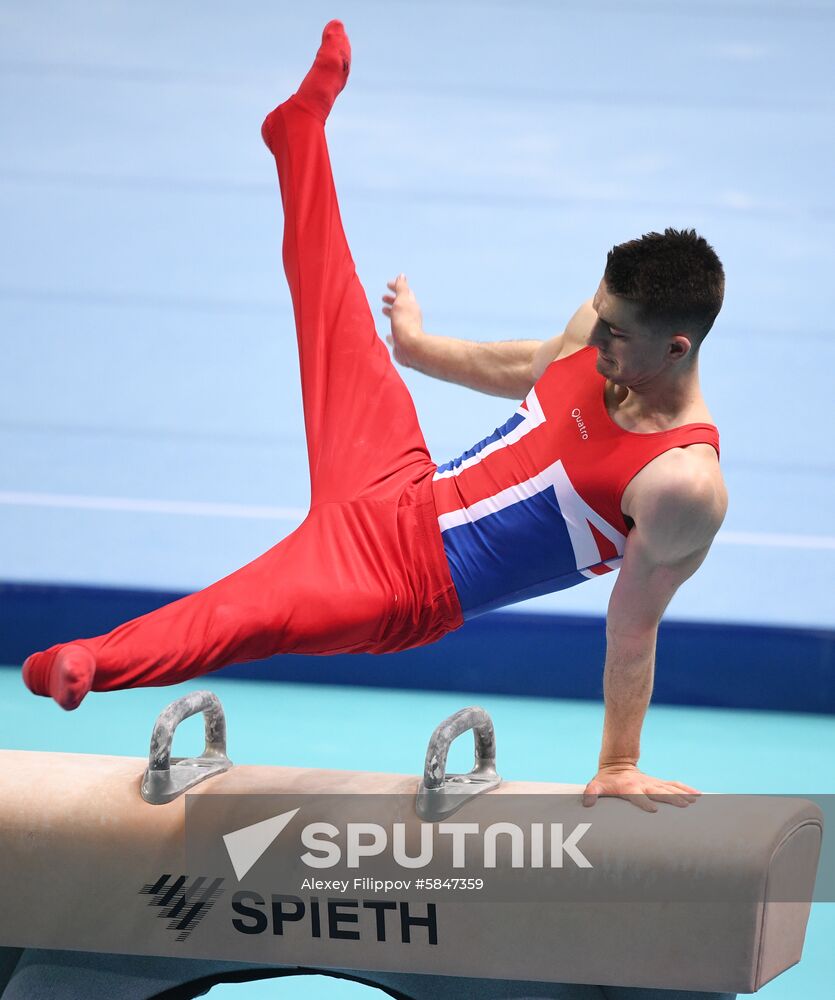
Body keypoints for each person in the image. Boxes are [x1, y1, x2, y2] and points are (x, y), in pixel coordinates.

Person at [22, 21, 727, 813]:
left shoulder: (680, 482)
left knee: (236, 615)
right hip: (395, 477)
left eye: (613, 333)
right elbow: (532, 368)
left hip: (395, 584)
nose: (591, 336)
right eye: (596, 314)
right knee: (330, 306)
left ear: (674, 347)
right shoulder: (601, 334)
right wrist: (420, 350)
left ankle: (84, 660)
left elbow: (632, 628)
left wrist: (620, 760)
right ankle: (297, 136)